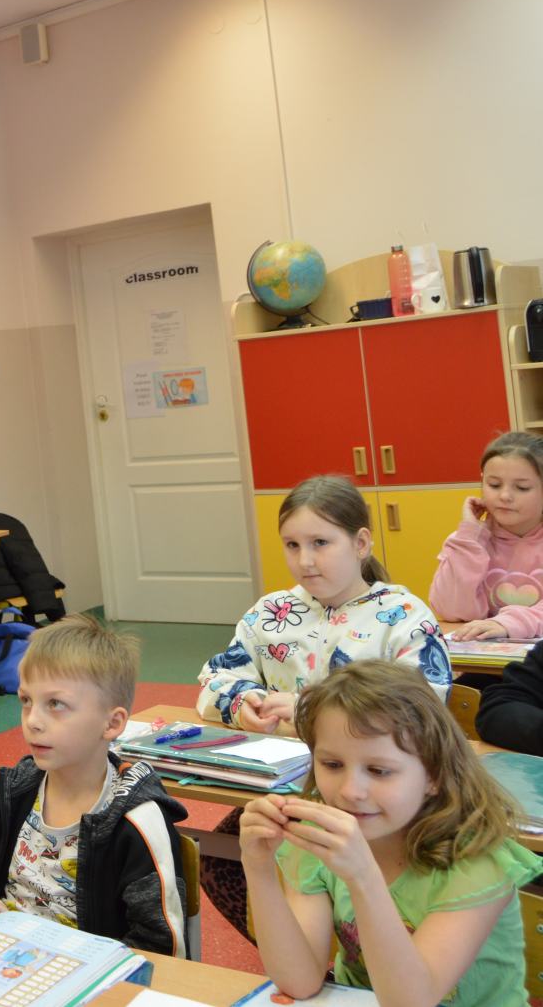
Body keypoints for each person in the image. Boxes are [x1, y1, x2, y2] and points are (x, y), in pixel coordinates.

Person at [193, 474, 451, 938]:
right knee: (219, 856)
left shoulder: (404, 616)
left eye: (320, 543)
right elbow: (214, 678)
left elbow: (424, 707)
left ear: (361, 543)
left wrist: (307, 711)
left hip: (372, 796)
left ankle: (349, 953)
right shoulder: (270, 614)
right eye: (292, 545)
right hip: (287, 789)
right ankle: (308, 955)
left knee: (336, 870)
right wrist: (242, 701)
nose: (305, 560)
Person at [241, 660, 541, 1006]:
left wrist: (362, 876)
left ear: (434, 775)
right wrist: (258, 868)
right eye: (332, 764)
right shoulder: (319, 838)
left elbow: (411, 1002)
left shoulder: (476, 861)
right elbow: (300, 982)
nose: (350, 791)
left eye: (379, 770)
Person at [0, 614, 189, 956]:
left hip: (93, 977)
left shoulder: (137, 822)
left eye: (55, 704)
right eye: (26, 700)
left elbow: (159, 949)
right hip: (0, 964)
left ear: (111, 723)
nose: (33, 721)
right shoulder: (7, 794)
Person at [429, 431, 543, 640]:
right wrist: (469, 538)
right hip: (489, 655)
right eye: (494, 485)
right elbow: (452, 611)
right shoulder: (467, 541)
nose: (505, 496)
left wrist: (507, 623)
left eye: (522, 487)